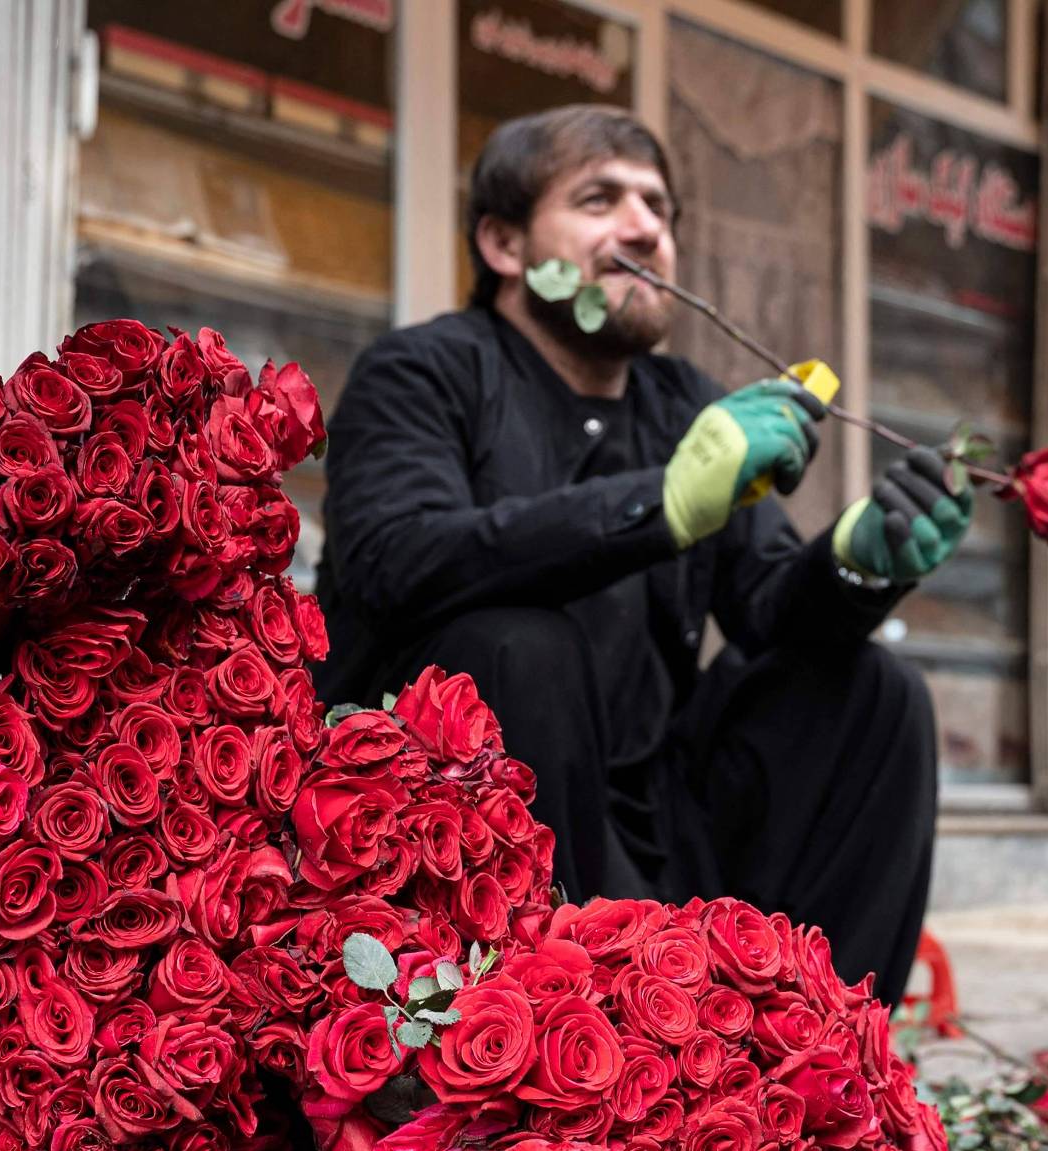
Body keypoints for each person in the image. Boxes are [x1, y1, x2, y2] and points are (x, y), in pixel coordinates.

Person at [315, 105, 966, 1008]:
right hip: (452, 834)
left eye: (658, 208)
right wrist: (651, 508)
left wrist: (857, 563)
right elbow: (397, 557)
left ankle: (819, 1052)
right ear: (503, 245)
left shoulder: (681, 400)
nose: (645, 229)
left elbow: (768, 611)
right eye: (599, 199)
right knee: (517, 642)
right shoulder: (424, 371)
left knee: (877, 692)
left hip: (659, 818)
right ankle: (534, 1039)